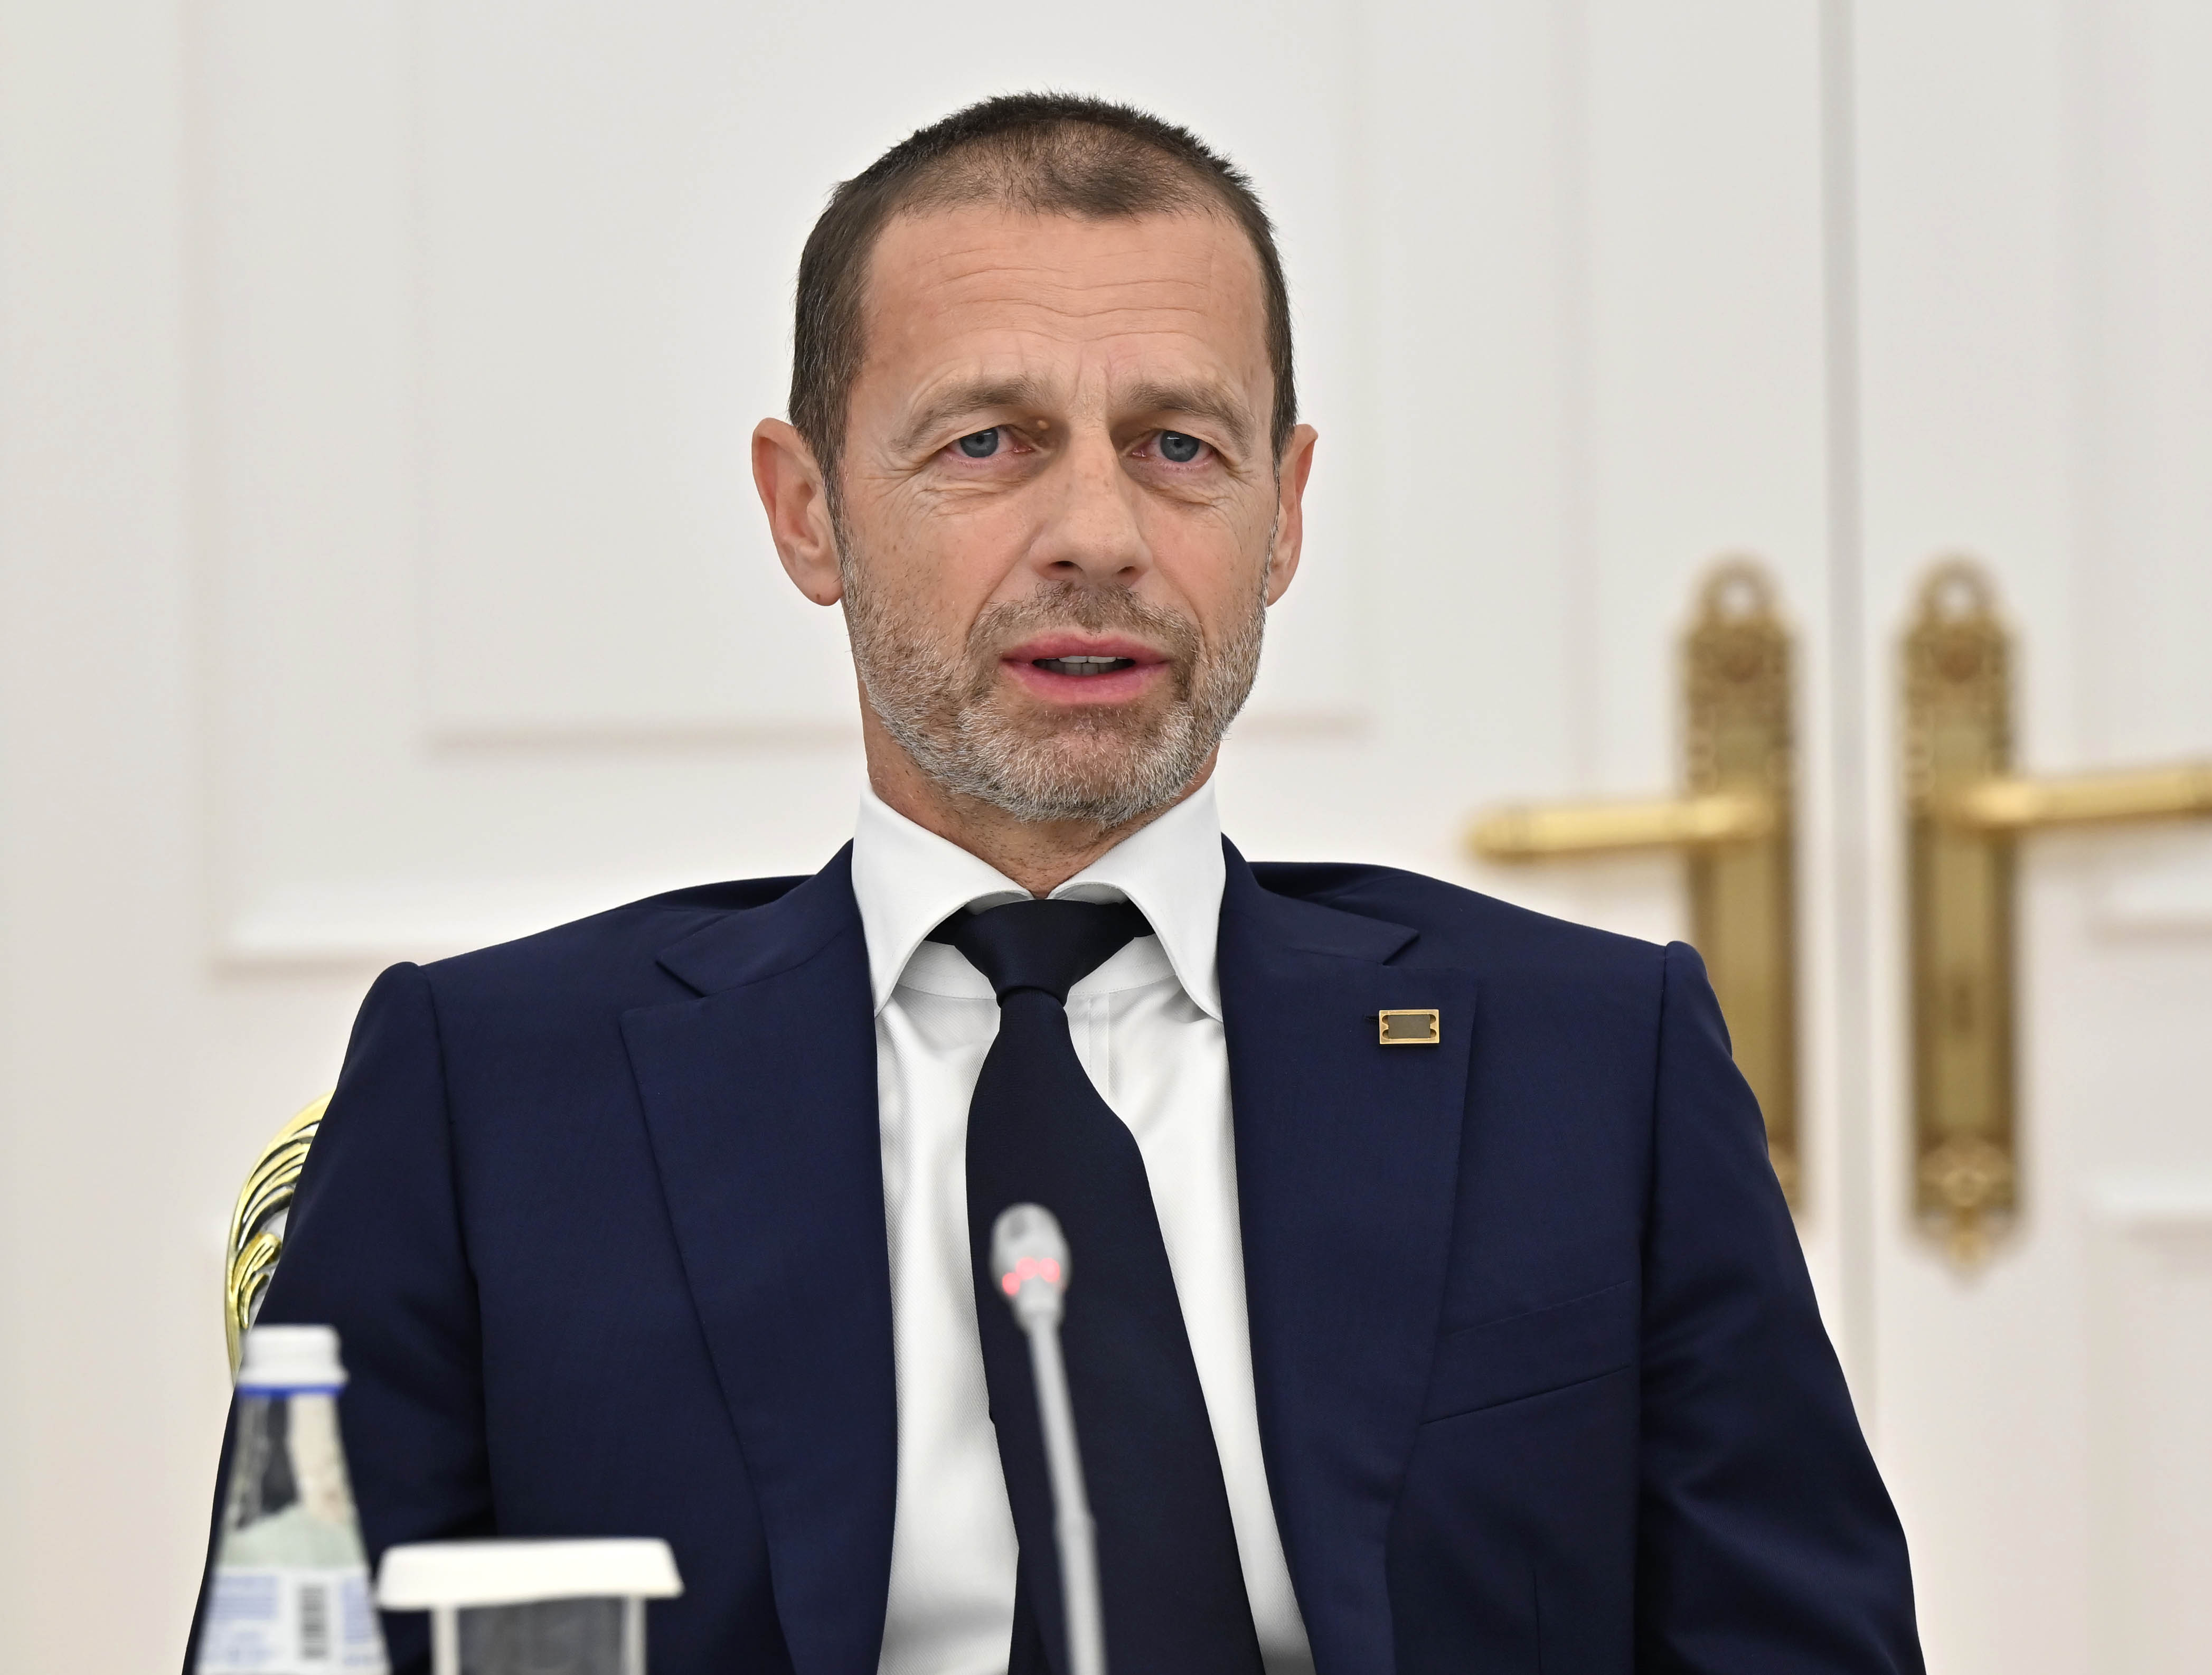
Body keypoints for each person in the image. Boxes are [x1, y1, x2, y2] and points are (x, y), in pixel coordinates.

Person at [189, 93, 1922, 1675]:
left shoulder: (1591, 1063)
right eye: (988, 443)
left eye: (1179, 446)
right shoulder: (496, 1090)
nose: (1098, 531)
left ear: (1284, 513)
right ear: (808, 511)